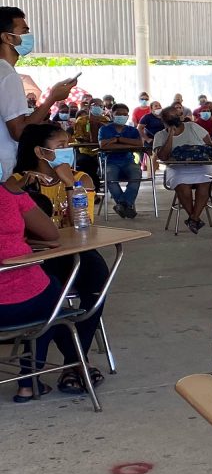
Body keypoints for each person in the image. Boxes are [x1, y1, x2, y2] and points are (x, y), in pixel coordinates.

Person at [12, 123, 111, 396]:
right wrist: (26, 190)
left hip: (76, 249)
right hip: (39, 256)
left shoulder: (82, 179)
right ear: (40, 151)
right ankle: (78, 362)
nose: (68, 151)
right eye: (60, 145)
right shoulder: (19, 182)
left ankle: (72, 362)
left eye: (69, 145)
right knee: (54, 295)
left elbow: (84, 225)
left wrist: (70, 184)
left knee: (98, 279)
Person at [154, 103, 212, 233]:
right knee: (183, 187)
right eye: (169, 117)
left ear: (180, 116)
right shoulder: (160, 135)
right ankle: (194, 219)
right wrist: (170, 135)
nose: (173, 119)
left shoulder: (192, 127)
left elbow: (210, 147)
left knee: (206, 183)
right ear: (163, 120)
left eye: (175, 116)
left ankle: (193, 219)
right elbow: (164, 157)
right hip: (177, 168)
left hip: (202, 165)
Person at [97, 102, 143, 218]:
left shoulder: (132, 130)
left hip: (128, 161)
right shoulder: (104, 129)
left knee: (136, 173)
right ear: (112, 114)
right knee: (110, 177)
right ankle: (126, 205)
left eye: (125, 114)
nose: (122, 116)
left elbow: (139, 144)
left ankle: (122, 205)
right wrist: (126, 143)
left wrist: (117, 140)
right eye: (118, 114)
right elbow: (103, 145)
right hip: (110, 161)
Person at [70, 97, 108, 188]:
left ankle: (93, 188)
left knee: (98, 163)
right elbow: (78, 137)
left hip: (101, 151)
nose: (99, 107)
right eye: (96, 105)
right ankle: (93, 188)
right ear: (89, 107)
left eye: (101, 106)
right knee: (86, 163)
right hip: (85, 151)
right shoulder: (81, 120)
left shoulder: (105, 120)